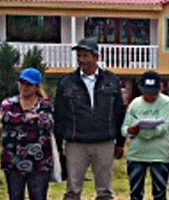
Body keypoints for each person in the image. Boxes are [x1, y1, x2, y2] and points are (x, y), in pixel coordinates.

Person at [53, 38, 126, 200]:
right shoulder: (66, 83)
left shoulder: (112, 81)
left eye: (85, 56)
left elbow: (119, 113)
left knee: (105, 191)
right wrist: (58, 145)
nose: (81, 60)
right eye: (79, 56)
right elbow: (59, 115)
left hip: (104, 142)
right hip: (76, 143)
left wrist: (120, 142)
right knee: (72, 191)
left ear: (96, 57)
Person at [0, 68, 54, 200]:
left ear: (37, 86)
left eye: (29, 84)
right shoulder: (8, 103)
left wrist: (17, 119)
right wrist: (29, 118)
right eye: (22, 83)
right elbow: (5, 119)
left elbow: (46, 122)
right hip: (12, 162)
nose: (24, 87)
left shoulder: (45, 104)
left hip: (39, 163)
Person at [123, 71, 169, 200]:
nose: (149, 96)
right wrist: (131, 130)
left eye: (153, 93)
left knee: (160, 193)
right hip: (136, 154)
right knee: (135, 193)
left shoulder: (166, 103)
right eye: (146, 92)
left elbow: (163, 128)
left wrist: (140, 132)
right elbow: (124, 129)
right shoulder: (135, 103)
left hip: (159, 155)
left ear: (160, 89)